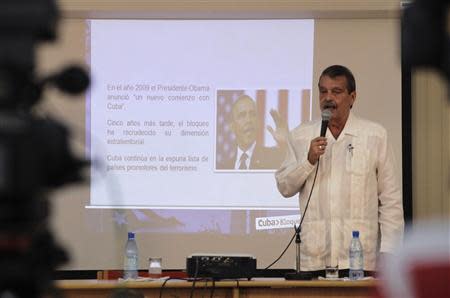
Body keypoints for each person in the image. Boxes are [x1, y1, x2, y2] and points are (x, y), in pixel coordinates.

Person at [275, 65, 404, 275]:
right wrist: (308, 161)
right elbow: (284, 187)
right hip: (315, 261)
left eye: (336, 92)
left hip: (360, 262)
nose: (328, 98)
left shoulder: (374, 136)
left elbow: (391, 201)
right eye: (323, 91)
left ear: (352, 97)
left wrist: (390, 253)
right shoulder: (301, 136)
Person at [217, 94, 287, 170]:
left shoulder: (274, 158)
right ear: (232, 127)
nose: (248, 120)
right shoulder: (223, 167)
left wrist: (286, 143)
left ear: (257, 122)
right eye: (242, 115)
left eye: (252, 114)